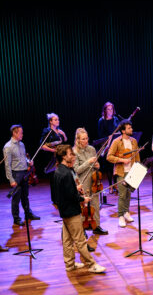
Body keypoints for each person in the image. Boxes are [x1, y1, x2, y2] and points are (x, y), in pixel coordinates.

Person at [52, 144, 106, 274]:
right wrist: (83, 199)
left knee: (67, 240)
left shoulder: (58, 171)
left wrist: (74, 189)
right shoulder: (66, 174)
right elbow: (71, 196)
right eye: (70, 154)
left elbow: (58, 194)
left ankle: (70, 265)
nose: (73, 156)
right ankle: (92, 264)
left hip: (64, 211)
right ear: (64, 157)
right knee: (80, 241)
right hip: (71, 212)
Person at [4, 124, 40, 226]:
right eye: (21, 132)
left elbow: (24, 157)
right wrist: (11, 180)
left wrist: (29, 161)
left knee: (25, 196)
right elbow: (7, 165)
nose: (22, 134)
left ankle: (28, 213)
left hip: (24, 172)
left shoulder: (22, 144)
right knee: (16, 198)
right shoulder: (8, 147)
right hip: (16, 174)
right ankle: (16, 218)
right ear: (14, 133)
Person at [107, 122, 140, 228]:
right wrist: (122, 160)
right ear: (123, 131)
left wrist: (138, 170)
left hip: (132, 170)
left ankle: (126, 212)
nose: (131, 129)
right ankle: (120, 216)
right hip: (121, 171)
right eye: (129, 128)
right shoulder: (116, 142)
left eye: (131, 127)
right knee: (122, 195)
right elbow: (109, 157)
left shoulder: (134, 141)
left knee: (129, 194)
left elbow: (137, 156)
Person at [40, 113, 69, 205]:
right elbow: (42, 146)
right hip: (52, 157)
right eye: (55, 120)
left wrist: (64, 134)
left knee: (61, 177)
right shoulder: (47, 131)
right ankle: (55, 199)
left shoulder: (59, 131)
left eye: (58, 119)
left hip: (60, 157)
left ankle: (62, 196)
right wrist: (53, 150)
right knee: (54, 179)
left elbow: (65, 140)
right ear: (50, 121)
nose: (58, 121)